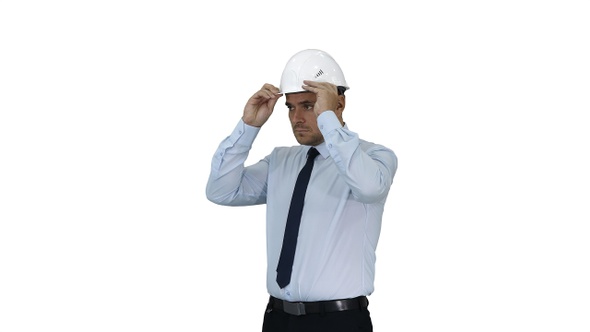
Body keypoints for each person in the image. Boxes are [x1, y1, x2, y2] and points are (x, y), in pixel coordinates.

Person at [206, 49, 398, 332]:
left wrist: (329, 120)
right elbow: (221, 191)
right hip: (278, 318)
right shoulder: (281, 161)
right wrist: (248, 126)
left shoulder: (374, 158)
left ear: (338, 104)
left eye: (308, 105)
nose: (296, 117)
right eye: (290, 107)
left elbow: (368, 188)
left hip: (339, 322)